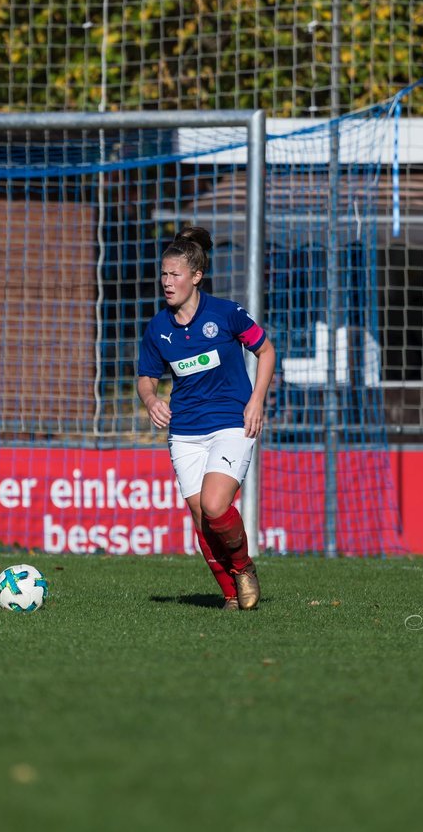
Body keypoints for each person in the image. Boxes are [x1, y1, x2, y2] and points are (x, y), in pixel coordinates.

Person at [137, 226, 276, 611]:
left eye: (175, 274)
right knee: (201, 517)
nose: (167, 282)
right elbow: (146, 377)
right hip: (184, 432)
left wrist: (257, 401)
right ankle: (231, 593)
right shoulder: (158, 328)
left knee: (216, 506)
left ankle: (244, 568)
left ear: (196, 276)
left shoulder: (225, 313)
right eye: (163, 274)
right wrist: (150, 400)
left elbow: (266, 351)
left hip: (232, 422)